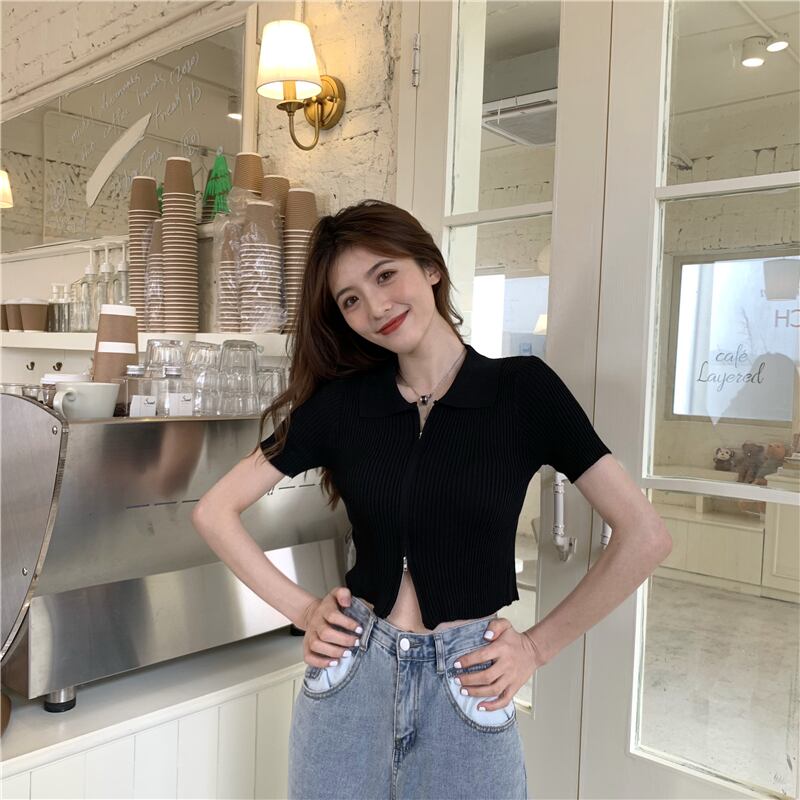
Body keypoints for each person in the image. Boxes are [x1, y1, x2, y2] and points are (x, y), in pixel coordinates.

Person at [192, 199, 672, 799]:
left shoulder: (522, 392)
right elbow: (213, 511)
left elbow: (646, 536)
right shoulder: (343, 406)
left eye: (385, 275)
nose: (376, 307)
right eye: (350, 300)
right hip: (351, 677)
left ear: (430, 268)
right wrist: (305, 610)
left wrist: (535, 648)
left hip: (468, 681)